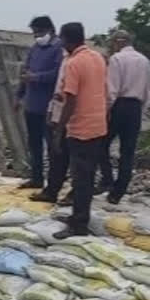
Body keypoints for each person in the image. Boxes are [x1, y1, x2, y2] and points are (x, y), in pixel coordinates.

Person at [52, 22, 107, 239]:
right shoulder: (97, 58)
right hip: (98, 124)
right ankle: (78, 216)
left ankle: (79, 223)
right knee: (87, 175)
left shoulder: (73, 63)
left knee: (81, 178)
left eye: (61, 39)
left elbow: (71, 98)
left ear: (67, 40)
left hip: (81, 127)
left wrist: (59, 129)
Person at [99, 30, 150, 204]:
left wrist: (105, 111)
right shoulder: (144, 61)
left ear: (117, 42)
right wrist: (141, 112)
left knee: (101, 144)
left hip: (119, 105)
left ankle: (107, 179)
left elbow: (112, 89)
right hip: (135, 107)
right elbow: (146, 91)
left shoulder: (117, 59)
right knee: (127, 152)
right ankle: (118, 191)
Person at [15, 16, 65, 189]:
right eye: (34, 33)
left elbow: (58, 75)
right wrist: (19, 96)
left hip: (49, 107)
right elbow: (25, 73)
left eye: (39, 32)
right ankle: (36, 178)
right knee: (34, 144)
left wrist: (35, 78)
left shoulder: (59, 49)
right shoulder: (35, 49)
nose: (37, 36)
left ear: (50, 30)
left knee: (52, 147)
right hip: (32, 105)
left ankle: (53, 183)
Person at [30, 53, 72, 205]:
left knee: (74, 160)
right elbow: (58, 91)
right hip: (58, 113)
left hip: (71, 119)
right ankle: (52, 191)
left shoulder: (77, 62)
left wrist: (60, 125)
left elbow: (70, 96)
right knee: (57, 156)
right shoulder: (67, 61)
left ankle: (73, 195)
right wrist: (50, 110)